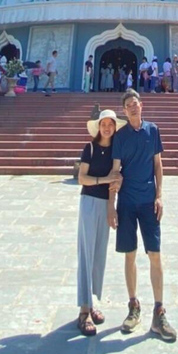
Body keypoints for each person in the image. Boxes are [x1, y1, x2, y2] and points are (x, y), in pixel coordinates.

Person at [109, 89, 177, 342]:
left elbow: (158, 164)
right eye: (128, 105)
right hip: (127, 202)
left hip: (149, 202)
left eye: (135, 103)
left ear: (141, 105)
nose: (133, 108)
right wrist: (111, 205)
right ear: (124, 111)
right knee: (129, 254)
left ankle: (159, 311)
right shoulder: (120, 136)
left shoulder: (153, 130)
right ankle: (133, 306)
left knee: (155, 254)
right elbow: (116, 171)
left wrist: (159, 195)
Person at [76, 110, 127, 336]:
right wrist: (105, 179)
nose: (107, 128)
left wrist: (111, 207)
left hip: (104, 203)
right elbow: (82, 178)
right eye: (103, 124)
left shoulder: (117, 151)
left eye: (111, 124)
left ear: (115, 127)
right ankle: (83, 310)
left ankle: (93, 300)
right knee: (86, 254)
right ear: (98, 127)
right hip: (88, 202)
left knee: (99, 255)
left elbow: (117, 179)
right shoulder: (90, 148)